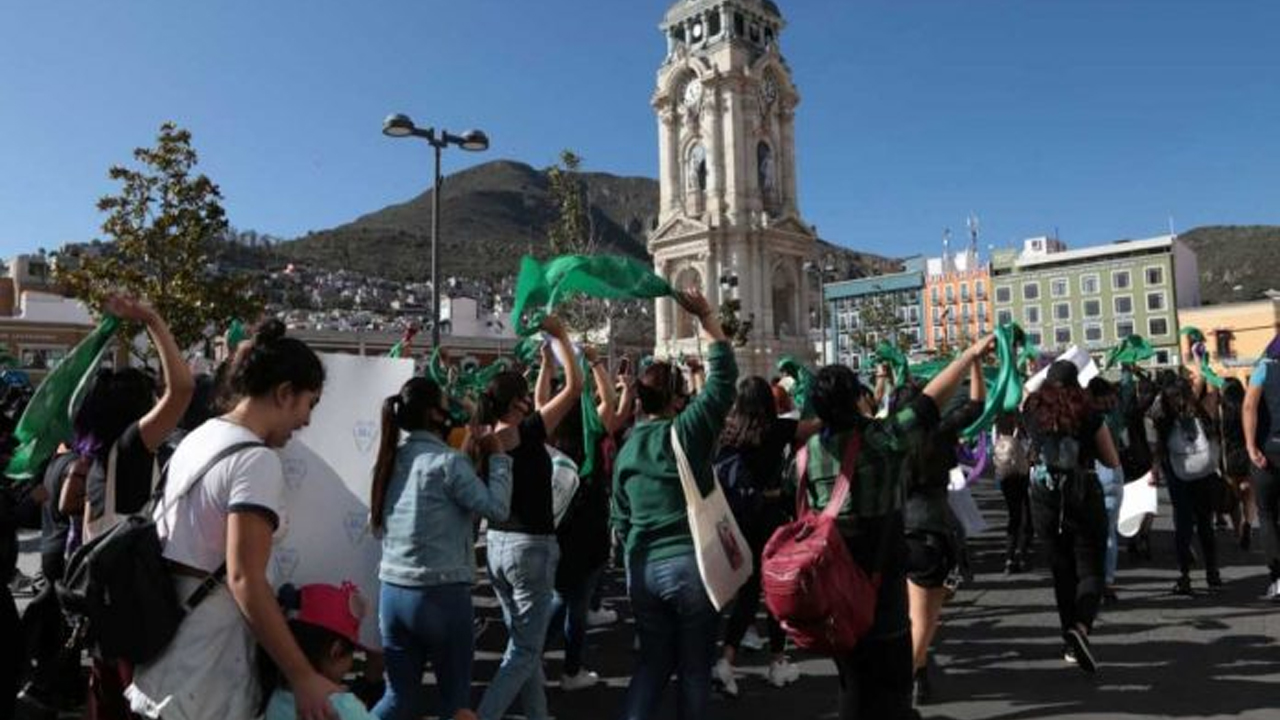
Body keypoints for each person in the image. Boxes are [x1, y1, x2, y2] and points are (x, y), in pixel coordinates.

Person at [126, 319, 339, 720]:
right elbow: (245, 578)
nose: (307, 421)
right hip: (206, 669)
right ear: (284, 393)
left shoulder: (201, 436)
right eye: (309, 403)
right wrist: (302, 675)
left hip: (167, 653)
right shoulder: (255, 460)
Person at [785, 337, 991, 720]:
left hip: (832, 588)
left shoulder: (802, 458)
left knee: (853, 683)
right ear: (854, 400)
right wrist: (968, 356)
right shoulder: (880, 442)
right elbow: (928, 405)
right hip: (880, 585)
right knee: (894, 686)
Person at [611, 289, 736, 720]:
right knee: (695, 670)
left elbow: (620, 518)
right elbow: (722, 383)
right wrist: (706, 317)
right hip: (689, 565)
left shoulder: (626, 450)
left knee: (652, 664)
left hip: (642, 569)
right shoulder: (687, 432)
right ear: (677, 398)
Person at [369, 377, 517, 719]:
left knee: (397, 699)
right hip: (443, 594)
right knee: (455, 706)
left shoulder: (390, 461)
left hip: (393, 593)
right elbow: (497, 509)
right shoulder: (448, 464)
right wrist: (497, 456)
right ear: (435, 414)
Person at [475, 315, 582, 720]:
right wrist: (562, 337)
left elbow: (549, 395)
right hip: (531, 549)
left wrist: (546, 363)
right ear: (517, 403)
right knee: (523, 650)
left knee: (526, 646)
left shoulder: (489, 437)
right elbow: (574, 390)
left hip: (498, 548)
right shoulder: (527, 433)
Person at [710, 375, 821, 697]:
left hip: (740, 516)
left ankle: (727, 660)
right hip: (771, 514)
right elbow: (813, 428)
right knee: (776, 587)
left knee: (747, 591)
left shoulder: (728, 432)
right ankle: (777, 660)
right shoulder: (778, 429)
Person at [1023, 361, 1120, 674]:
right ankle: (1081, 627)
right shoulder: (1089, 412)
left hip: (1045, 496)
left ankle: (1069, 642)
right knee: (1091, 568)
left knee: (1061, 570)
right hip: (1083, 493)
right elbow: (1111, 458)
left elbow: (1026, 388)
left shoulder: (1033, 409)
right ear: (1077, 382)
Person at [897, 362, 985, 706]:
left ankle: (917, 674)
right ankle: (909, 678)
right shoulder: (940, 433)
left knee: (907, 615)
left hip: (894, 533)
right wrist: (974, 364)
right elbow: (976, 407)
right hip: (931, 532)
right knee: (925, 617)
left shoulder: (886, 441)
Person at [545, 345, 619, 691]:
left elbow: (541, 398)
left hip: (559, 526)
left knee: (561, 596)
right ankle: (571, 670)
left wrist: (547, 363)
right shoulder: (594, 434)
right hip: (590, 526)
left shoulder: (549, 437)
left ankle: (533, 654)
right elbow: (611, 400)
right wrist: (595, 363)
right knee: (574, 604)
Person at [1150, 374, 1222, 595]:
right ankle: (1212, 573)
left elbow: (1160, 446)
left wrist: (1155, 469)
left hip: (1178, 476)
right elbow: (1214, 438)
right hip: (1204, 475)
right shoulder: (1202, 411)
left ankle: (1184, 577)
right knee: (1205, 524)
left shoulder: (1164, 416)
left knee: (1183, 526)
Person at [261, 583, 375, 720]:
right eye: (352, 653)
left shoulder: (274, 700)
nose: (351, 663)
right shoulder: (342, 707)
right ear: (336, 650)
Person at [1242, 333, 1280, 600]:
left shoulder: (1264, 367)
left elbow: (1248, 406)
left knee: (1267, 515)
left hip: (1269, 451)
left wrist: (1250, 445)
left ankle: (1278, 580)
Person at [1087, 378, 1126, 602]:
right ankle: (1108, 582)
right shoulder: (1115, 416)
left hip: (1090, 472)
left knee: (1088, 533)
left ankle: (1090, 579)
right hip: (1113, 471)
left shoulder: (1086, 417)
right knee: (1109, 531)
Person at [993, 412, 1034, 574]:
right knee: (1026, 515)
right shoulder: (1024, 430)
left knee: (1014, 515)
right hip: (1023, 474)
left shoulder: (998, 430)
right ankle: (1021, 556)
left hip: (1004, 475)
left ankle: (1010, 558)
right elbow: (1031, 448)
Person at [1220, 377, 1256, 549]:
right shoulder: (1249, 408)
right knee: (1249, 494)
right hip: (1248, 453)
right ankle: (1248, 523)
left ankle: (1238, 532)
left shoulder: (1223, 410)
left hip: (1230, 457)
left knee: (1234, 497)